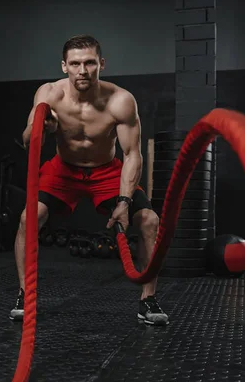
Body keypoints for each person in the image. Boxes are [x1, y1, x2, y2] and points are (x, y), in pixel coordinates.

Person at [9, 34, 169, 326]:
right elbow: (27, 142)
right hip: (63, 170)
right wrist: (45, 127)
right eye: (75, 63)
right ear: (64, 66)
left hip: (106, 170)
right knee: (27, 219)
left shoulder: (120, 100)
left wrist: (124, 201)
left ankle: (148, 300)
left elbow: (132, 154)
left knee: (148, 220)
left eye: (89, 63)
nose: (82, 70)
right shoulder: (48, 95)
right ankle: (25, 293)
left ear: (101, 64)